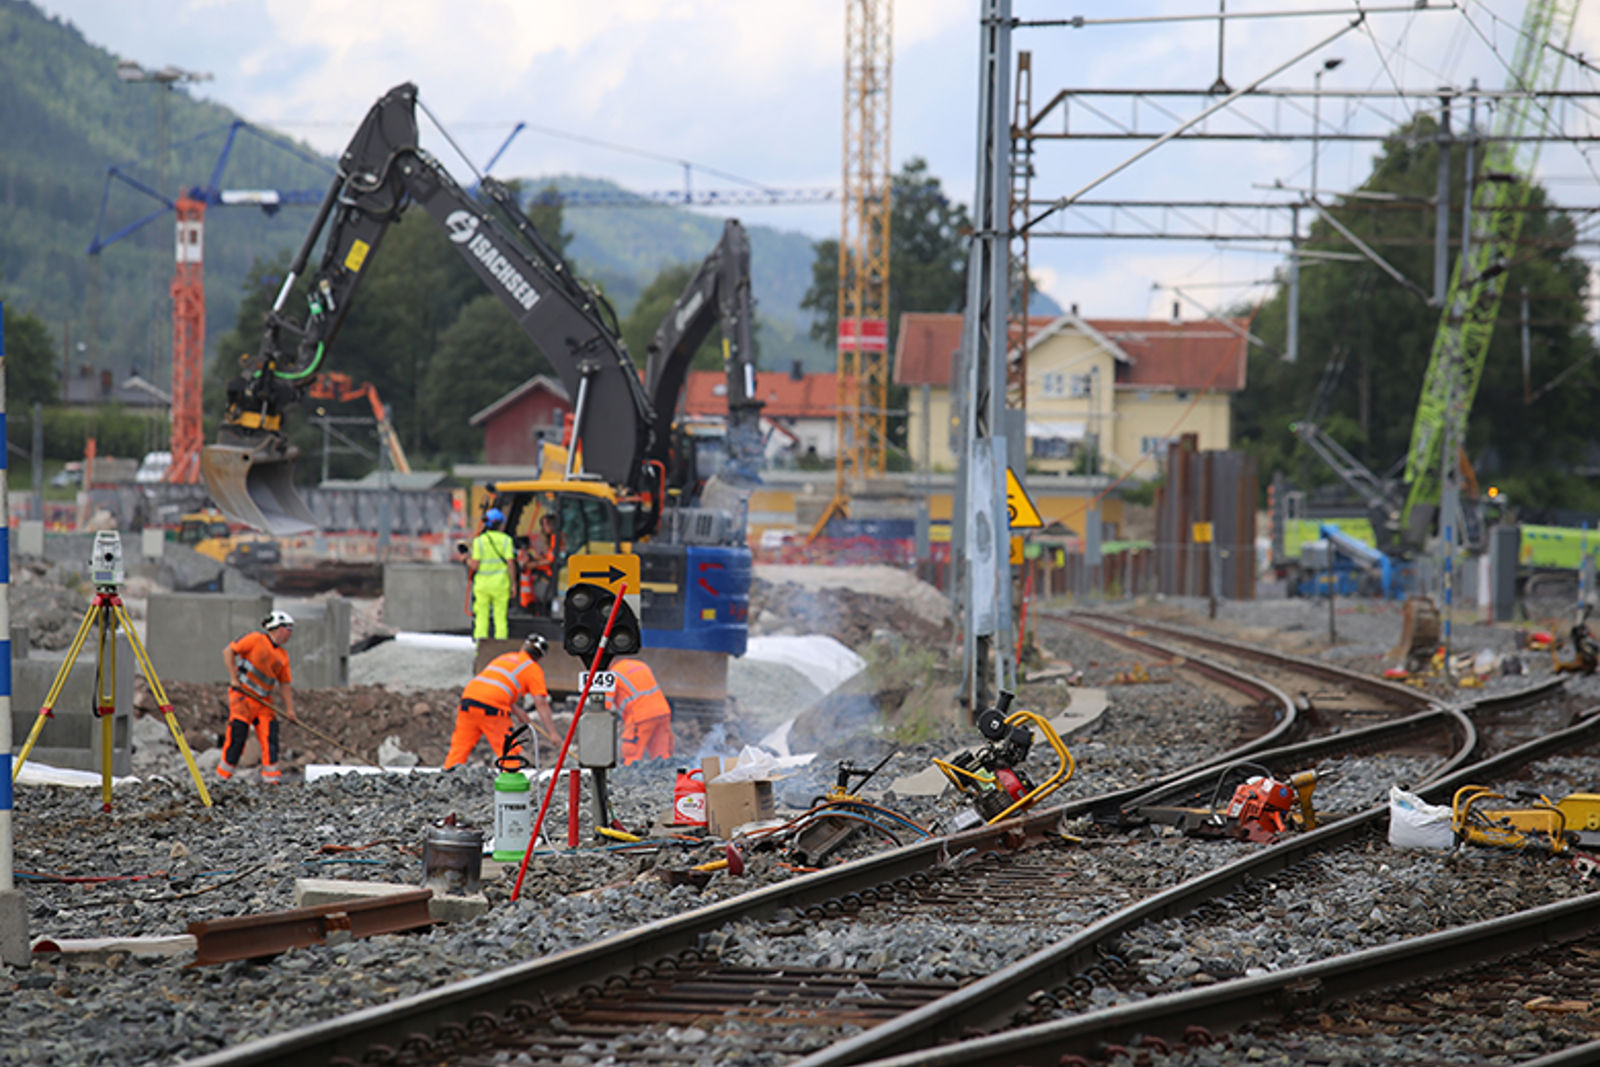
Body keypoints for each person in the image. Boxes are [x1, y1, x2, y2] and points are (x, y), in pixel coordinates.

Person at [445, 633, 559, 769]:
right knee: (509, 752)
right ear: (540, 657)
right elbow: (541, 703)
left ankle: (448, 777)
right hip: (492, 710)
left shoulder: (506, 658)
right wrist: (553, 733)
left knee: (459, 750)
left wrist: (517, 712)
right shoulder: (533, 670)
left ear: (524, 647)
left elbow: (497, 686)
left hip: (468, 702)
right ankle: (512, 787)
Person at [218, 610, 298, 782]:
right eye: (287, 629)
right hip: (243, 697)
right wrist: (234, 679)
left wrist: (290, 710)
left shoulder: (283, 656)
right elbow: (228, 651)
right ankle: (222, 778)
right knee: (237, 737)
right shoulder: (255, 639)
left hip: (264, 702)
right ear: (277, 628)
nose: (289, 634)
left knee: (270, 739)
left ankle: (271, 780)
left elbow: (285, 684)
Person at [607, 657, 673, 765]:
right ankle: (663, 778)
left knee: (632, 755)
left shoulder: (613, 675)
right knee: (661, 756)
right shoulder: (640, 665)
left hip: (640, 717)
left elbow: (605, 704)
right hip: (663, 712)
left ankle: (628, 777)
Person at [469, 507, 515, 640]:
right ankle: (500, 647)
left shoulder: (479, 541)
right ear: (500, 524)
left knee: (481, 618)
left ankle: (479, 647)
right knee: (500, 618)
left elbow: (475, 565)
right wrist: (513, 585)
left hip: (482, 586)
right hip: (501, 585)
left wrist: (466, 559)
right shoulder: (507, 540)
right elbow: (510, 563)